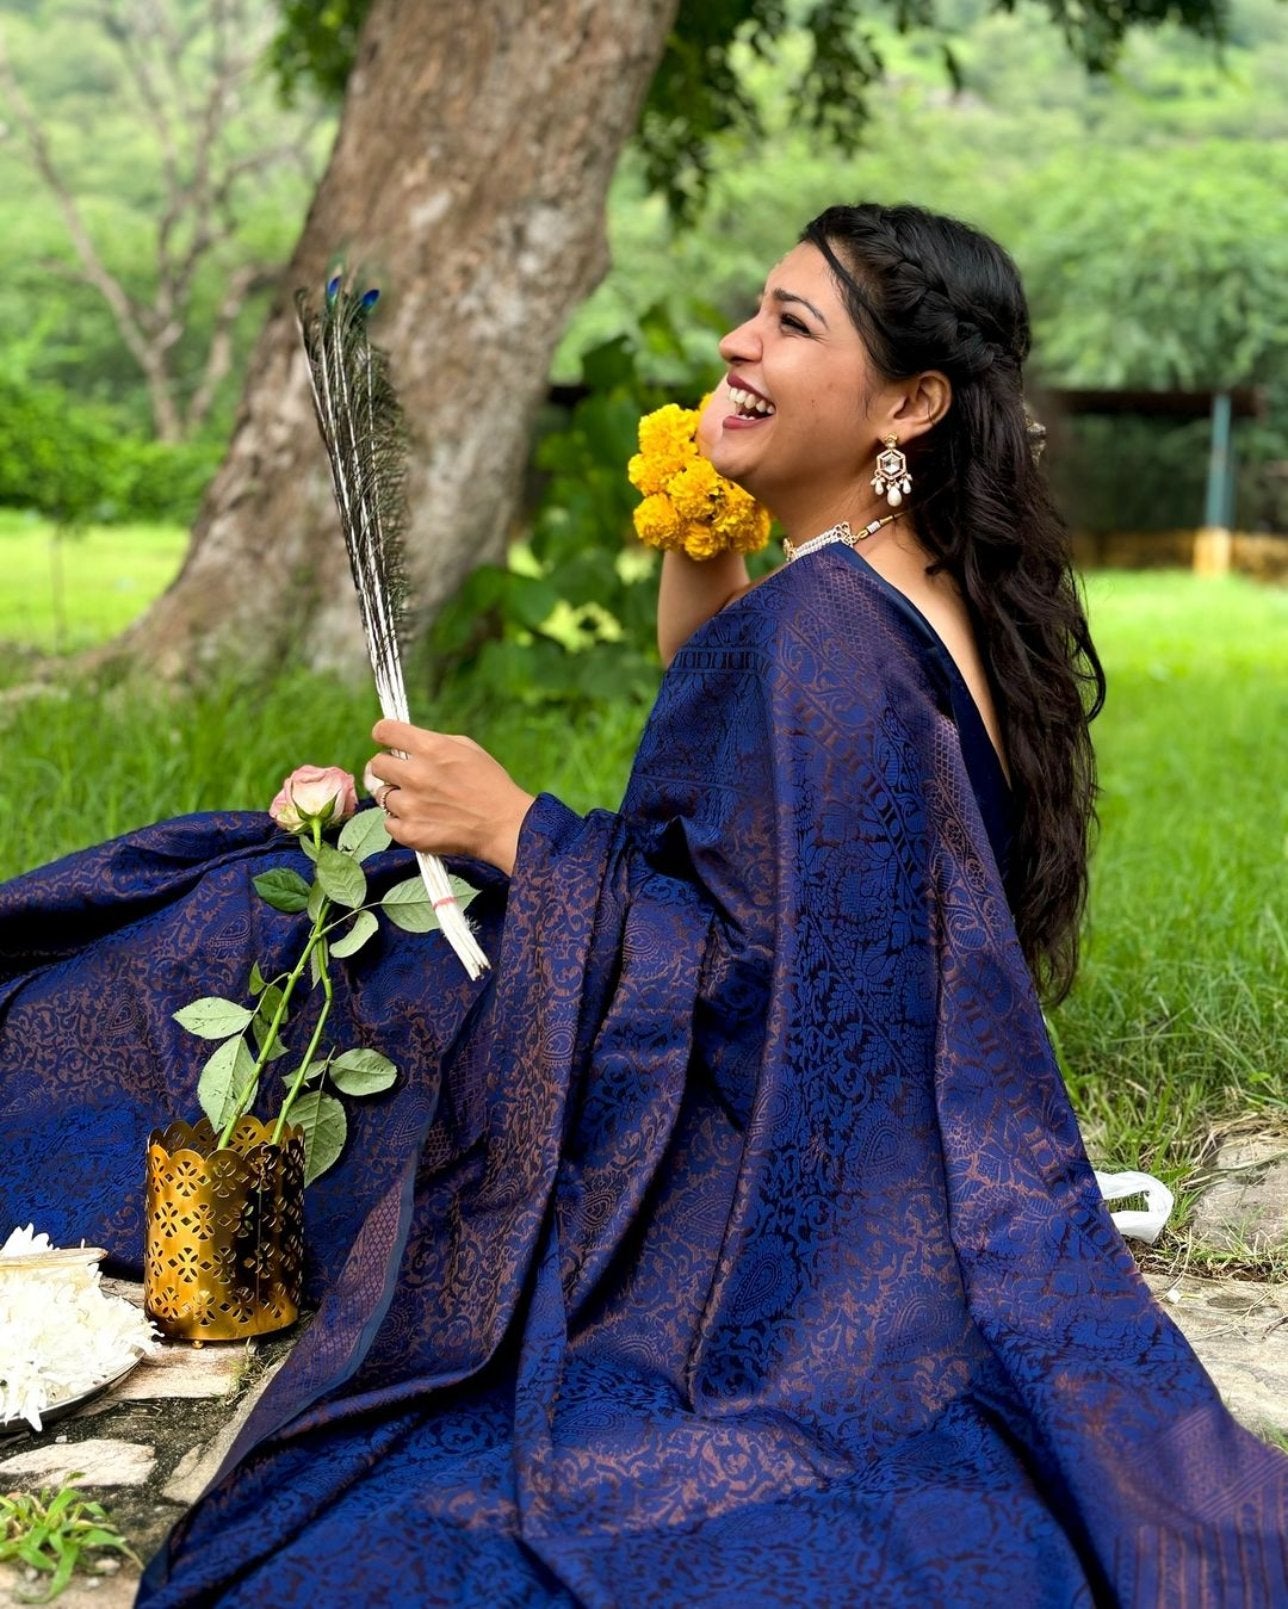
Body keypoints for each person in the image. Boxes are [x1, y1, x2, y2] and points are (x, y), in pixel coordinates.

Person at [2, 201, 1285, 1606]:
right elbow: (747, 825)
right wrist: (700, 534)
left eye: (793, 326)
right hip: (710, 1026)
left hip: (699, 1131)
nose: (738, 339)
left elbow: (766, 993)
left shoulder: (831, 641)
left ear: (908, 404)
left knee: (255, 927)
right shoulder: (876, 590)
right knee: (318, 872)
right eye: (758, 306)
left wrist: (515, 830)